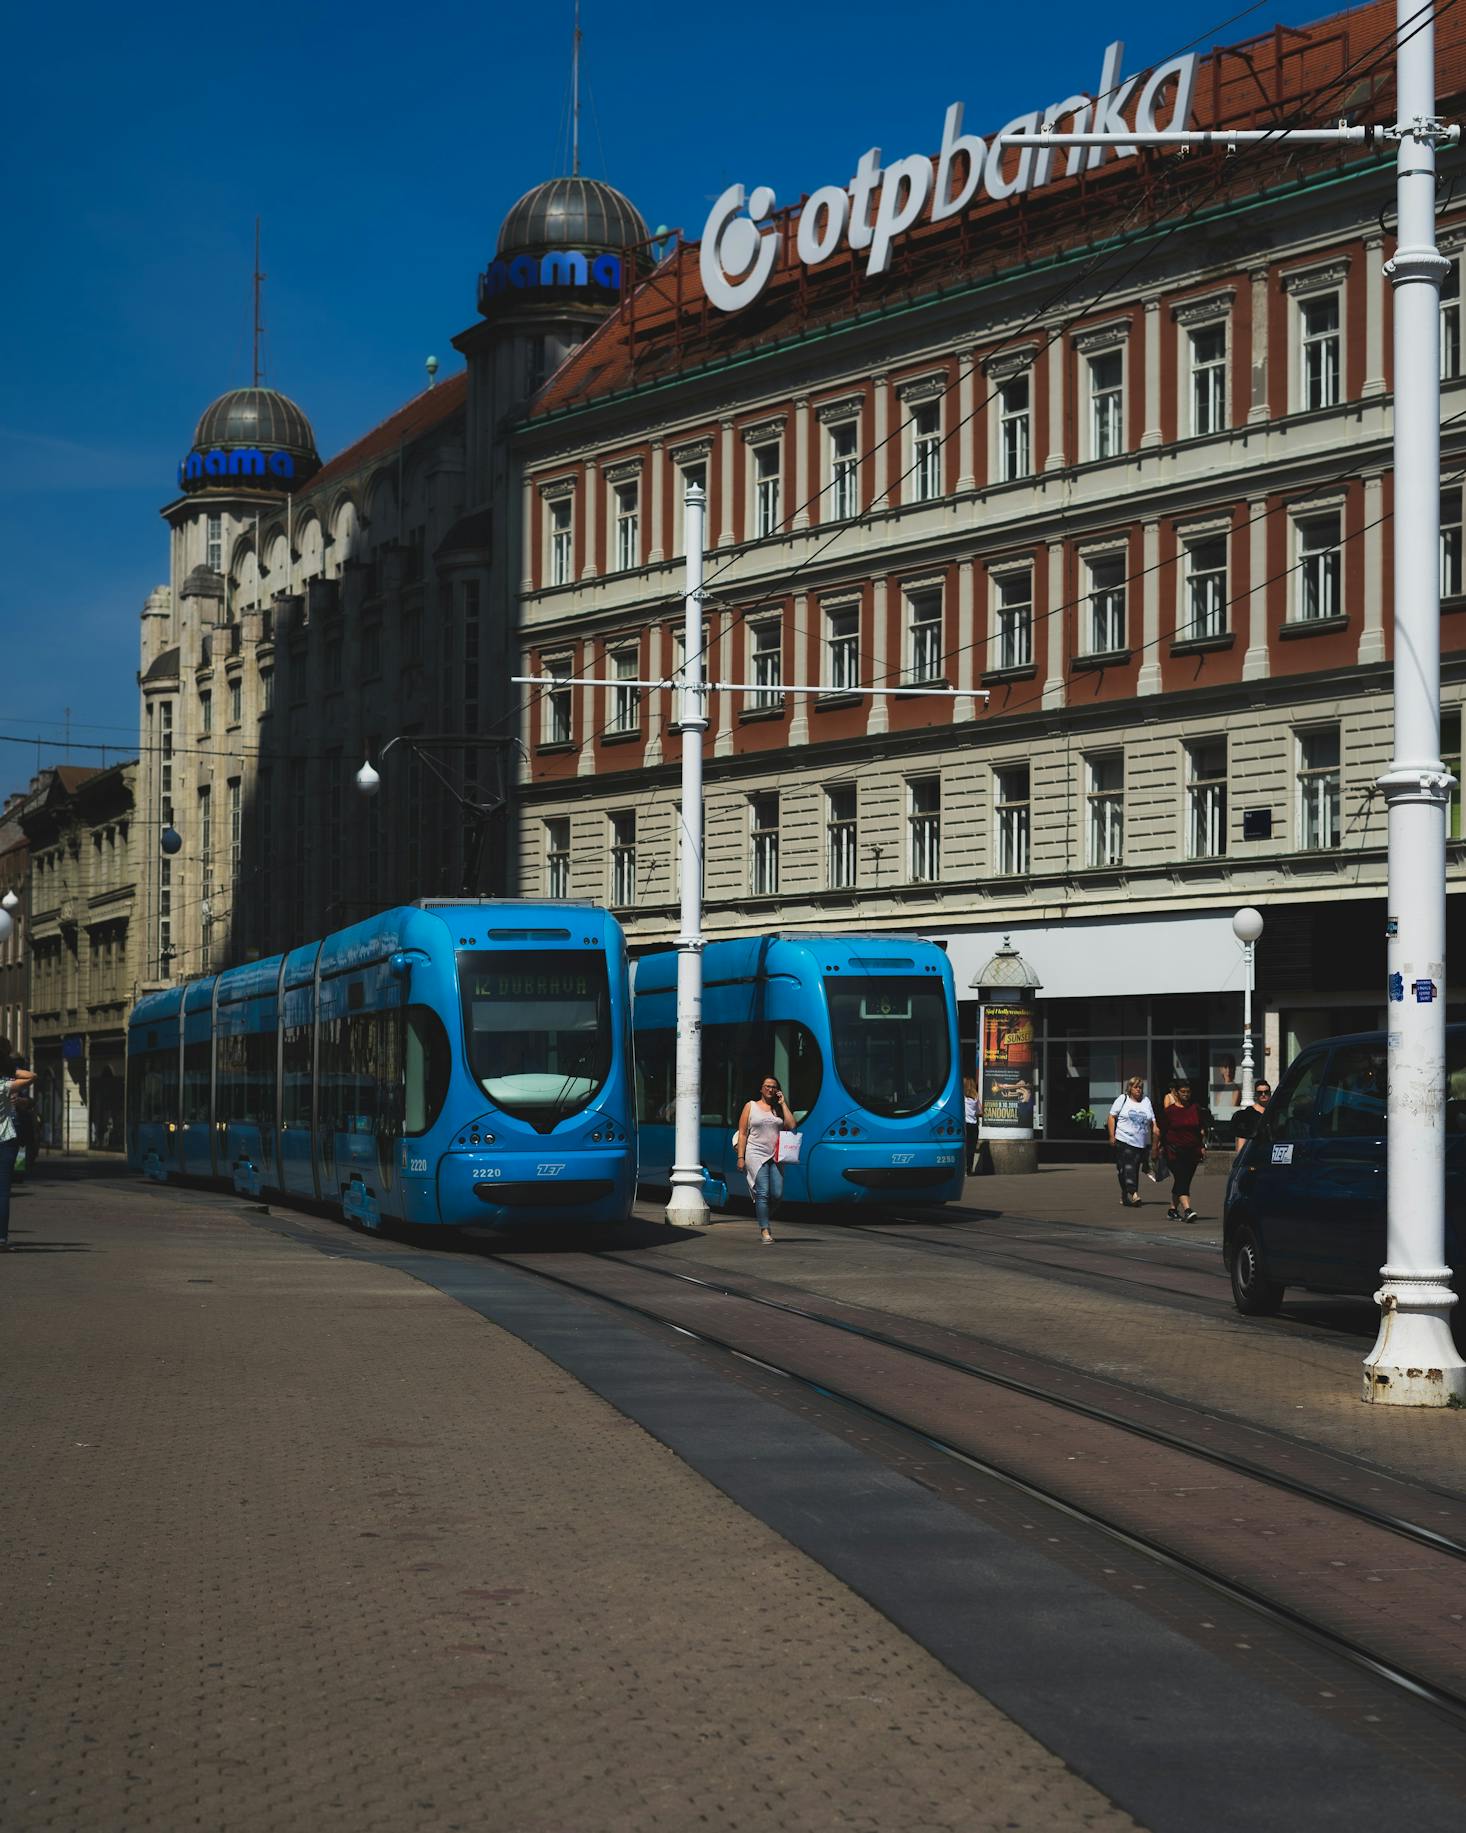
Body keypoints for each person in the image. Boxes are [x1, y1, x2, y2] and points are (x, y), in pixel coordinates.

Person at [736, 1073, 795, 1243]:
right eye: (767, 1086)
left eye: (774, 1087)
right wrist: (741, 1156)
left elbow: (792, 1126)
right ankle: (765, 1230)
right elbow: (742, 1132)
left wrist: (783, 1103)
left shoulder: (778, 1108)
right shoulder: (751, 1106)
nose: (770, 1089)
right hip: (755, 1153)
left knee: (777, 1194)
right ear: (761, 1089)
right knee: (762, 1193)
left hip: (776, 1155)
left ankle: (763, 1217)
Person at [0, 1042, 38, 1250]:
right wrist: (10, 1069)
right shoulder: (5, 1085)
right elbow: (31, 1076)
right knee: (3, 1192)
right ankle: (1, 1239)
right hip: (6, 1138)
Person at [1158, 1079, 1206, 1222]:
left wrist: (1202, 1146)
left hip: (1193, 1151)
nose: (1186, 1094)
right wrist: (1157, 1148)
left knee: (1183, 1181)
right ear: (1176, 1093)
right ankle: (1187, 1210)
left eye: (1188, 1092)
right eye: (1183, 1092)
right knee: (1182, 1179)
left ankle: (1172, 1210)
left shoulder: (1195, 1108)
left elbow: (1201, 1130)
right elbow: (1161, 1131)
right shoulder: (1170, 1112)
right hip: (1173, 1151)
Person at [1107, 1077, 1159, 1208]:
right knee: (1126, 1168)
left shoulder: (1146, 1101)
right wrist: (1112, 1135)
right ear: (1129, 1088)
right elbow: (1112, 1117)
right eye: (1136, 1087)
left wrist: (1155, 1140)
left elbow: (1153, 1121)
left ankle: (1126, 1194)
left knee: (1130, 1169)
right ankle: (1134, 1194)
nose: (1139, 1090)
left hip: (1141, 1142)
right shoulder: (1122, 1099)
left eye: (1140, 1087)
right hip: (1123, 1139)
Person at [1232, 1078, 1272, 1154]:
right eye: (1260, 1092)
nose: (1263, 1095)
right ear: (1256, 1094)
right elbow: (1241, 1137)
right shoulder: (1247, 1114)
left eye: (1266, 1092)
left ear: (1270, 1093)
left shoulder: (1274, 1112)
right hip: (1253, 1154)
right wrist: (1240, 1157)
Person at [962, 1075, 980, 1175]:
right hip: (974, 1125)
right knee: (971, 1149)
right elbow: (979, 1111)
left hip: (965, 1125)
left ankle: (963, 1169)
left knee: (964, 1148)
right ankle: (969, 1170)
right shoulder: (975, 1098)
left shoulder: (961, 1097)